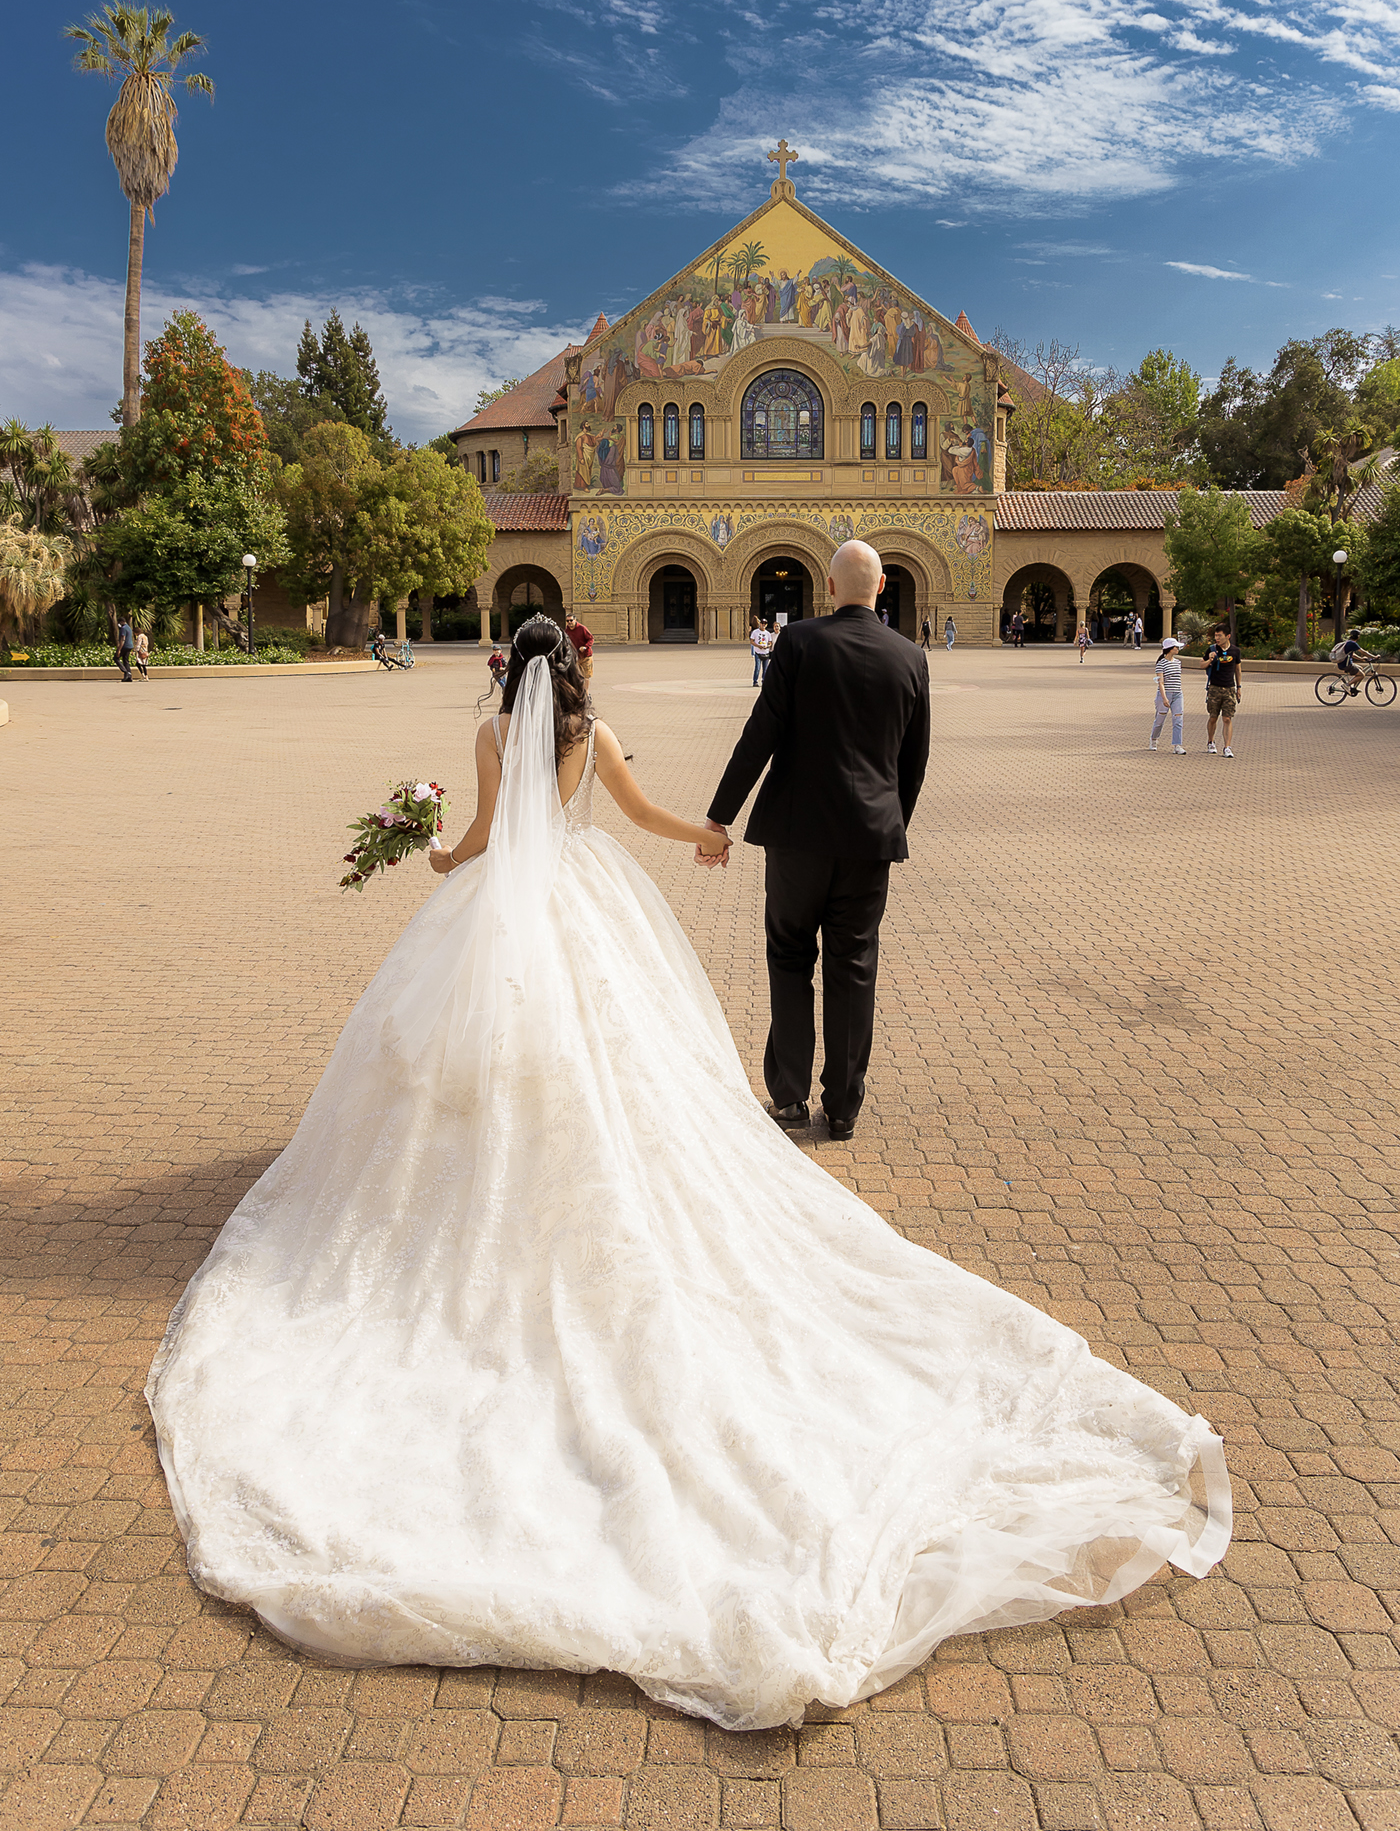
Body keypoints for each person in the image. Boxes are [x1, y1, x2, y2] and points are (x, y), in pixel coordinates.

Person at [146, 610, 1230, 1729]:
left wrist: (423, 851)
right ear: (572, 670)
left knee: (473, 1044)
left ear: (504, 672)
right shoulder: (594, 731)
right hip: (583, 901)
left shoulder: (488, 739)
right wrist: (707, 838)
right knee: (617, 1055)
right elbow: (644, 815)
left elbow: (476, 843)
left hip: (497, 914)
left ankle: (483, 1176)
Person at [702, 539, 930, 1140]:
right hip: (869, 838)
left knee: (790, 959)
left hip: (797, 836)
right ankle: (846, 1105)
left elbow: (761, 736)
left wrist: (718, 818)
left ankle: (790, 1097)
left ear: (828, 588)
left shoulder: (799, 641)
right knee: (855, 966)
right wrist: (889, 821)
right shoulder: (910, 657)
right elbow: (914, 762)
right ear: (881, 587)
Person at [1203, 624, 1242, 756]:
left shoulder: (1235, 651)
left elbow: (1238, 669)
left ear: (1228, 636)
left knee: (1227, 718)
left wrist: (1239, 687)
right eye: (1215, 635)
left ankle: (1227, 747)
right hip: (1214, 688)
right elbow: (1201, 665)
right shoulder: (1212, 649)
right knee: (1213, 717)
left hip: (1230, 688)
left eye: (1219, 636)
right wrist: (1210, 659)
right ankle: (1210, 742)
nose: (1217, 638)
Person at [1150, 634, 1187, 752]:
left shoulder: (1178, 662)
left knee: (1178, 719)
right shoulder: (1161, 663)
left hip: (1177, 694)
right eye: (1176, 647)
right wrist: (1164, 698)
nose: (1177, 649)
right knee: (1160, 720)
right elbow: (1161, 682)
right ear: (1170, 648)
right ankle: (1154, 739)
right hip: (1165, 694)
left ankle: (1177, 745)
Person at [1336, 630, 1378, 695]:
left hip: (1343, 664)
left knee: (1361, 669)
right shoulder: (1353, 643)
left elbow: (1352, 655)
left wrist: (1361, 659)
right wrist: (1374, 657)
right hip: (1347, 665)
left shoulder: (1348, 642)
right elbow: (1363, 652)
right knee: (1362, 675)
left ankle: (1353, 688)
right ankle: (1347, 685)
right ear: (1358, 637)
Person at [565, 610, 594, 686]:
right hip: (575, 657)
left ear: (575, 620)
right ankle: (579, 691)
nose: (569, 622)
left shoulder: (582, 628)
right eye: (567, 621)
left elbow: (591, 638)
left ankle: (586, 694)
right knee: (576, 676)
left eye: (571, 620)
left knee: (586, 676)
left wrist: (585, 647)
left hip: (585, 656)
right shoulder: (566, 631)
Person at [750, 617, 770, 685]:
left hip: (766, 652)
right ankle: (755, 681)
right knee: (757, 668)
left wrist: (767, 646)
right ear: (760, 624)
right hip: (758, 652)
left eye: (765, 623)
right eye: (762, 623)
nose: (763, 625)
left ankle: (764, 681)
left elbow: (770, 643)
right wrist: (758, 646)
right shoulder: (755, 632)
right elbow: (751, 641)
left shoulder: (768, 633)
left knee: (765, 669)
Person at [115, 614, 134, 683]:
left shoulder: (123, 628)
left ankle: (126, 672)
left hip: (125, 646)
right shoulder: (129, 628)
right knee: (126, 661)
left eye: (119, 623)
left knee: (116, 658)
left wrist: (119, 649)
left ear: (122, 622)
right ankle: (129, 676)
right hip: (130, 646)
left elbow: (123, 639)